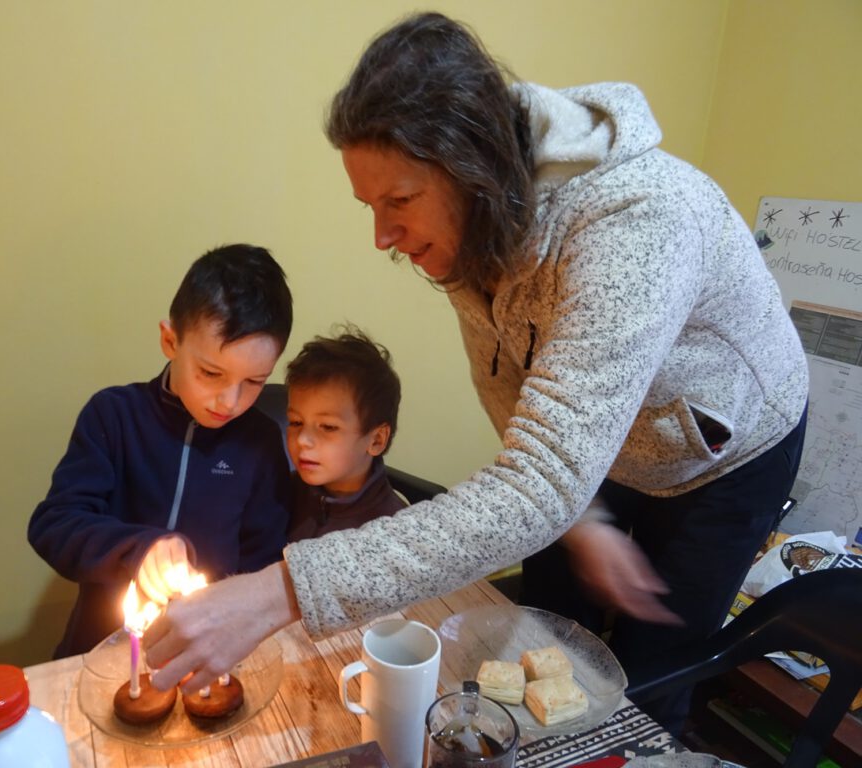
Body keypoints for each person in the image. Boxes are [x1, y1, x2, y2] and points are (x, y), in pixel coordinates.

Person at [143, 12, 808, 733]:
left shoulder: (638, 223)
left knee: (646, 684)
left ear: (473, 165)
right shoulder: (482, 221)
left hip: (725, 452)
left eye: (399, 201)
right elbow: (507, 387)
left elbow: (540, 479)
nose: (382, 237)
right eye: (372, 206)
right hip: (597, 442)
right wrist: (582, 518)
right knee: (542, 634)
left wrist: (278, 592)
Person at [28, 243, 294, 658]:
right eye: (210, 373)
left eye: (255, 382)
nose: (229, 401)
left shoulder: (258, 442)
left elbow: (264, 562)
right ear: (170, 341)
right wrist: (139, 550)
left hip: (211, 654)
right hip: (102, 650)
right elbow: (53, 525)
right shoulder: (114, 416)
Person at [284, 326, 405, 542]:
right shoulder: (280, 493)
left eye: (328, 427)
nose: (302, 440)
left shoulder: (394, 530)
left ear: (376, 440)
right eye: (296, 422)